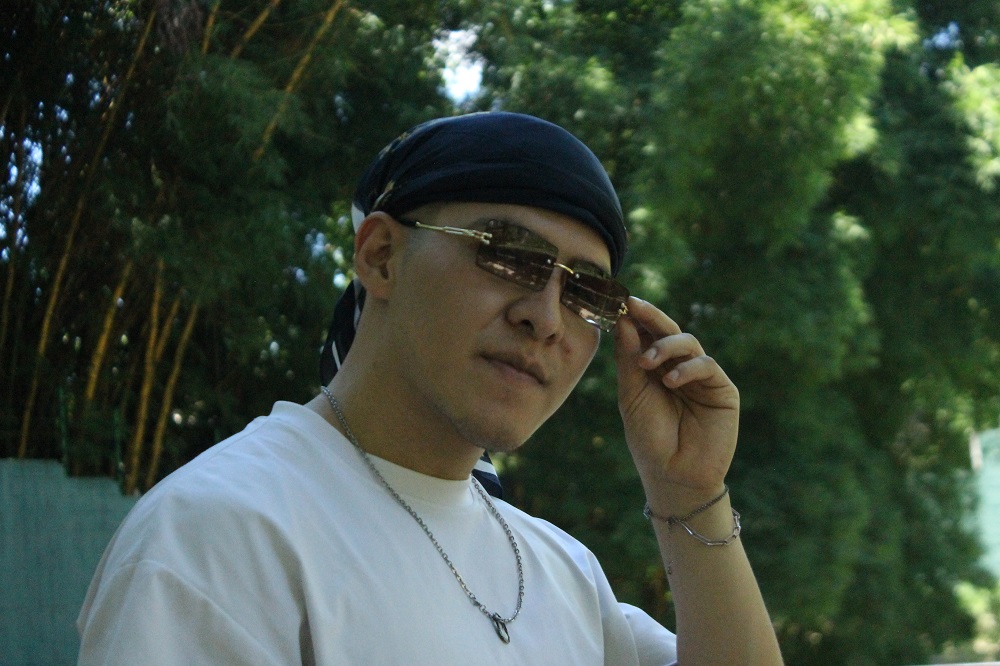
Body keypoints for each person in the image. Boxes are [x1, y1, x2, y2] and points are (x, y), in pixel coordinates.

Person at [77, 112, 783, 665]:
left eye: (585, 292)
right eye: (507, 255)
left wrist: (688, 491)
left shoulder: (563, 575)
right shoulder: (223, 534)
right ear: (381, 256)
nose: (545, 318)